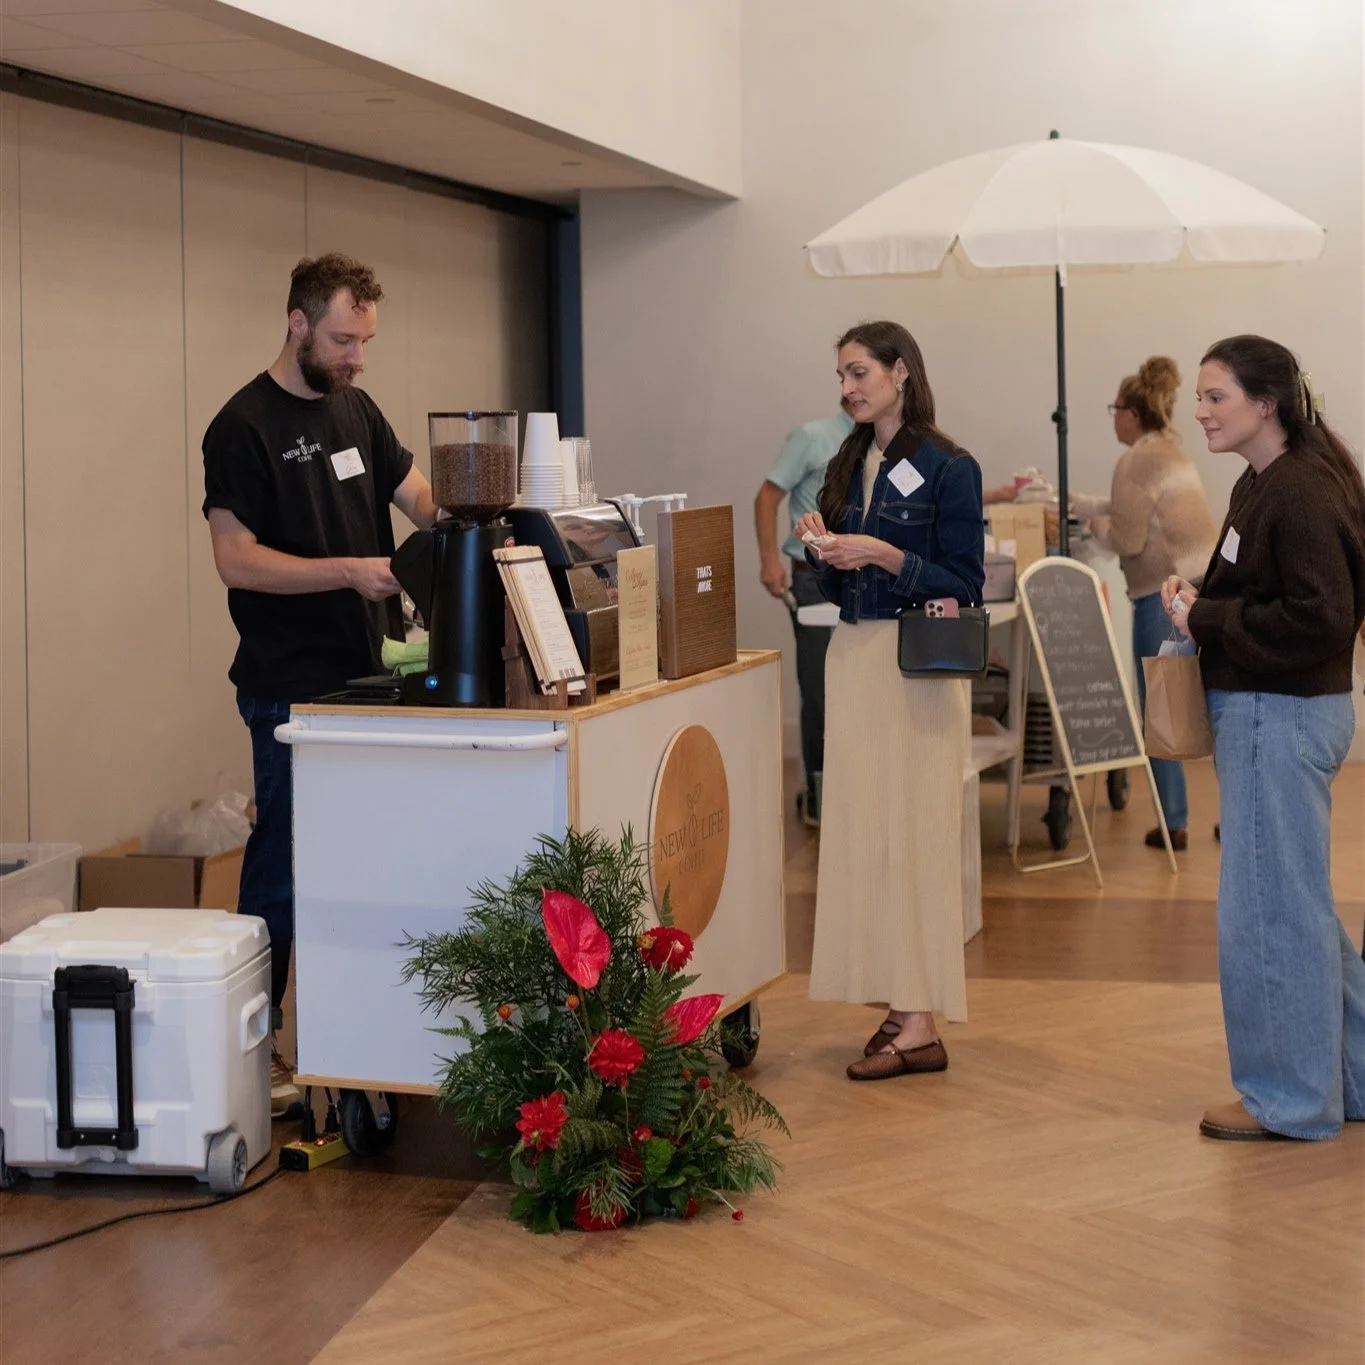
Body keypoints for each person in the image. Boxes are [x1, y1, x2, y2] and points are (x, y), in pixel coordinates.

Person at [202, 253, 441, 1116]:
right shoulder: (242, 426)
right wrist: (347, 570)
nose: (356, 357)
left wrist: (474, 516)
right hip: (286, 686)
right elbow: (236, 560)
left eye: (365, 341)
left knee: (364, 861)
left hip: (369, 677)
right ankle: (254, 1043)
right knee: (284, 869)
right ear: (297, 322)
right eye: (344, 339)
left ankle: (359, 1028)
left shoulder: (357, 409)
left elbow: (419, 497)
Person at [1164, 334, 1365, 1141]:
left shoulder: (1298, 492)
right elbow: (1268, 590)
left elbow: (1320, 618)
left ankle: (1287, 1097)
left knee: (1267, 914)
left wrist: (1202, 616)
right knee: (1299, 908)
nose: (1200, 410)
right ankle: (1349, 1075)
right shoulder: (1268, 483)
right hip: (1270, 712)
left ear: (1265, 403)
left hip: (1275, 715)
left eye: (1215, 395)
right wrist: (1201, 598)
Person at [796, 320, 985, 1081]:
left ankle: (918, 1017)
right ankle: (903, 1008)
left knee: (916, 837)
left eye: (859, 372)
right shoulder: (849, 462)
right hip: (855, 657)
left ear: (900, 371)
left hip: (917, 673)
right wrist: (824, 552)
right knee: (865, 834)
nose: (846, 388)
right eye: (840, 375)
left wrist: (881, 553)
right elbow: (838, 583)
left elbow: (965, 583)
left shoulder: (949, 465)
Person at [1084, 357, 1217, 850]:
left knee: (1159, 711)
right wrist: (1080, 504)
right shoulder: (1169, 450)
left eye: (1115, 408)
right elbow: (1132, 513)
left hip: (1161, 598)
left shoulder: (1135, 459)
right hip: (1202, 590)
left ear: (1132, 414)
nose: (1113, 416)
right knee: (1203, 704)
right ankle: (1225, 815)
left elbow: (1127, 537)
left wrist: (1080, 525)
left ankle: (1174, 822)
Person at [754, 401, 854, 828]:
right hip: (813, 575)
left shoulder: (882, 443)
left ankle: (853, 792)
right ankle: (819, 792)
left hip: (861, 571)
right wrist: (769, 561)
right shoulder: (813, 438)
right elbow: (767, 497)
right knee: (819, 686)